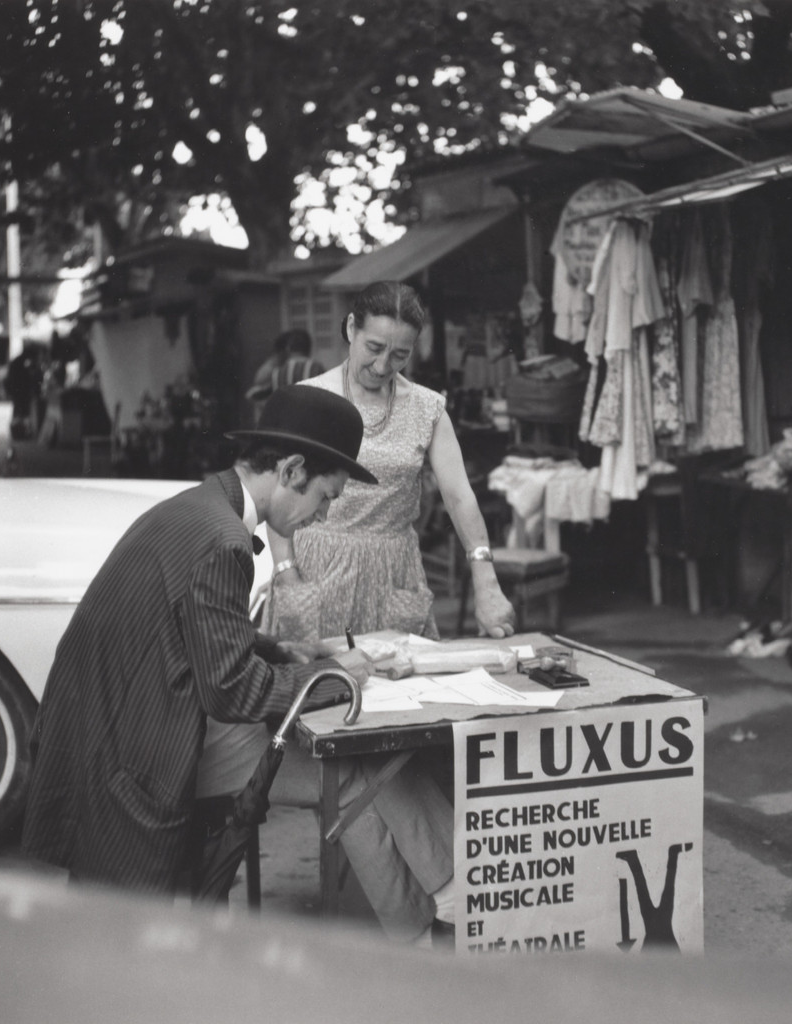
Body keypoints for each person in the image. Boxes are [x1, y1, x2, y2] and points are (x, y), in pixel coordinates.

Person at [20, 385, 374, 896]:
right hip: (127, 758)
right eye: (326, 497)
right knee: (130, 940)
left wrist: (277, 650)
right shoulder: (224, 541)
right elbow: (231, 691)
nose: (322, 516)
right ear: (293, 470)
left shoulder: (202, 506)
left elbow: (186, 624)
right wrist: (337, 678)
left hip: (96, 733)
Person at [263, 280, 517, 945]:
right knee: (342, 743)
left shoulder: (427, 408)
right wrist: (289, 580)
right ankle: (453, 890)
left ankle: (421, 918)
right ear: (349, 329)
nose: (383, 366)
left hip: (392, 578)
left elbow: (460, 498)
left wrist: (485, 579)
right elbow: (280, 502)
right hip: (315, 574)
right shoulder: (312, 398)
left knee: (399, 740)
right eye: (374, 348)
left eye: (399, 356)